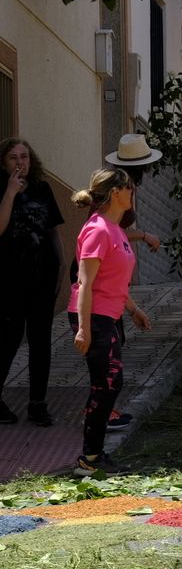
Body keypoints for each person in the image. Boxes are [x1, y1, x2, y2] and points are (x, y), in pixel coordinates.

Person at [68, 168, 152, 476]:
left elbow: (112, 280)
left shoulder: (114, 229)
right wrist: (83, 328)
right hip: (93, 315)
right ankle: (89, 459)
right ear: (115, 192)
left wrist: (133, 308)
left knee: (109, 383)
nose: (133, 192)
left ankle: (93, 456)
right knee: (107, 383)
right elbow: (86, 282)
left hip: (109, 313)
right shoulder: (98, 229)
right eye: (128, 188)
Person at [102, 133, 165, 432]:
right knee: (107, 350)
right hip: (104, 279)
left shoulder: (125, 186)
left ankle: (106, 410)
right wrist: (142, 235)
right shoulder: (118, 189)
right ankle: (104, 413)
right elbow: (108, 233)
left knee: (114, 345)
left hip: (114, 279)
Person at [0, 138, 64, 427]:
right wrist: (11, 193)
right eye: (13, 157)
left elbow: (52, 230)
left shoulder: (42, 187)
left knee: (40, 342)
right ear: (4, 162)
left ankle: (38, 403)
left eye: (24, 156)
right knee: (8, 339)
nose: (20, 162)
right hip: (9, 279)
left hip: (42, 277)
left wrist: (62, 263)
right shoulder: (2, 188)